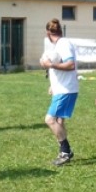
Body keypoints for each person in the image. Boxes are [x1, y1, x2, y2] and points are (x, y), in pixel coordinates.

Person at [39, 18, 78, 166]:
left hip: (66, 90)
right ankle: (65, 152)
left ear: (48, 33)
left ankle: (65, 151)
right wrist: (53, 85)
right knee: (59, 121)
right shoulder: (59, 45)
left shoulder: (63, 44)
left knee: (49, 119)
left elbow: (70, 65)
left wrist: (50, 65)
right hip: (63, 88)